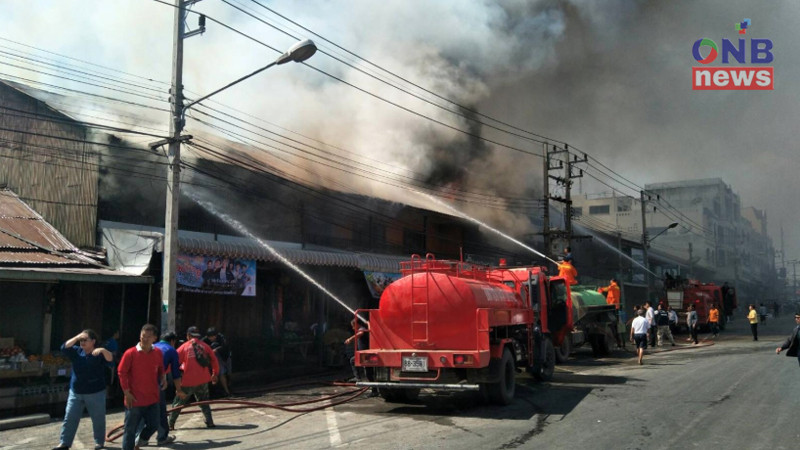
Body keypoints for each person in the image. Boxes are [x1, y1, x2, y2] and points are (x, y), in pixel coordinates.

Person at [53, 330, 113, 450]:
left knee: (98, 418)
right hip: (76, 392)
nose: (82, 342)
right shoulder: (77, 351)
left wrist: (103, 350)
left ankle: (99, 443)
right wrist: (77, 337)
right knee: (70, 417)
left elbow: (110, 360)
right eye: (81, 340)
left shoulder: (98, 353)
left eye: (85, 340)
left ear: (93, 341)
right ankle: (65, 443)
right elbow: (64, 347)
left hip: (95, 392)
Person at [117, 324, 167, 450]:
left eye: (148, 337)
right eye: (143, 336)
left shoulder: (157, 353)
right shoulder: (130, 353)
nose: (145, 339)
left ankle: (140, 441)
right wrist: (127, 392)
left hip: (152, 398)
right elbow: (121, 372)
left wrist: (163, 378)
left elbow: (161, 369)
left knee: (154, 424)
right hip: (134, 399)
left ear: (154, 338)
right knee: (130, 430)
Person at [169, 326, 219, 430]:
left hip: (188, 381)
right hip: (203, 380)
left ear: (188, 335)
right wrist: (214, 374)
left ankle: (170, 424)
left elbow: (174, 363)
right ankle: (209, 421)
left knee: (178, 403)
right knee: (204, 402)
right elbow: (214, 360)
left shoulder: (184, 347)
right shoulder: (205, 346)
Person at [136, 331, 180, 447]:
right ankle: (162, 437)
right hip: (156, 384)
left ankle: (138, 438)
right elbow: (176, 374)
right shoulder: (171, 350)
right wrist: (179, 390)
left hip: (139, 383)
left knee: (141, 410)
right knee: (159, 411)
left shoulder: (151, 347)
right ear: (172, 341)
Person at [345, 318, 378, 397]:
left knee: (368, 373)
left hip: (366, 354)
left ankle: (373, 390)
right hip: (363, 354)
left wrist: (350, 339)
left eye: (353, 326)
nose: (353, 328)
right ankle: (359, 378)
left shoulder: (362, 329)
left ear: (357, 324)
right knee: (353, 361)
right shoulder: (365, 329)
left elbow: (360, 333)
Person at [204, 327, 232, 397]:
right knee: (221, 373)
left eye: (213, 337)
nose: (211, 338)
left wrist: (216, 349)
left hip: (226, 356)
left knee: (229, 373)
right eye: (210, 337)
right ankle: (227, 391)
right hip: (217, 358)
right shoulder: (206, 339)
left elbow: (225, 346)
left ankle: (229, 386)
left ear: (216, 335)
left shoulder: (222, 337)